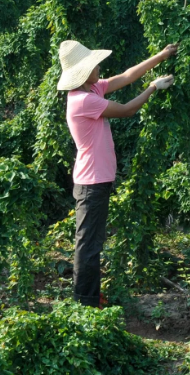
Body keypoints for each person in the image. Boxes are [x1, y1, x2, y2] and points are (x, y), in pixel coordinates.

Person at [59, 40, 178, 307]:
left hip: (96, 180)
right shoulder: (83, 100)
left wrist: (161, 56)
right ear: (82, 73)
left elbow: (126, 77)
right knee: (88, 245)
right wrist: (151, 88)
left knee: (92, 242)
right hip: (91, 182)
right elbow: (127, 110)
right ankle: (85, 302)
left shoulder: (92, 89)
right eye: (93, 65)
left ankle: (89, 295)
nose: (98, 67)